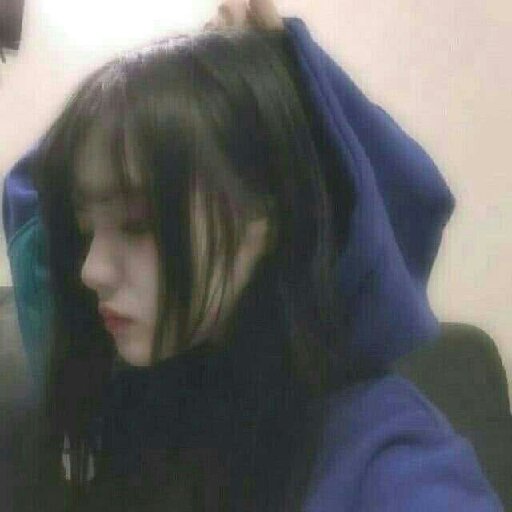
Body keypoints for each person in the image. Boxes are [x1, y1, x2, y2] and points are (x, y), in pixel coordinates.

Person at [1, 1, 504, 510]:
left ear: (270, 214)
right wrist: (175, 84)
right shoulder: (123, 386)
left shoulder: (386, 462)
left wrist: (287, 70)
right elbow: (35, 196)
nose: (91, 270)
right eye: (86, 229)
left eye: (137, 224)